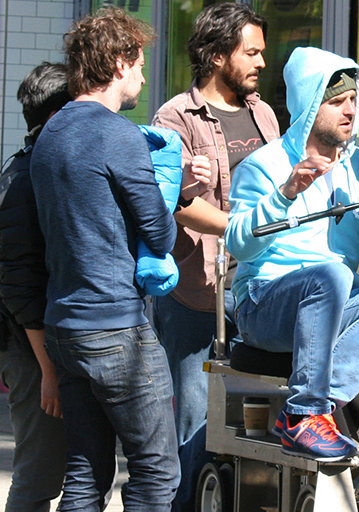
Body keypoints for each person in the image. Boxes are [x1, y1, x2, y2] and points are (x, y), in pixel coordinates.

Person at [225, 47, 359, 462]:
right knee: (331, 274)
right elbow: (239, 243)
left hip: (332, 300)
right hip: (264, 305)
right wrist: (285, 194)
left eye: (353, 99)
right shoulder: (264, 165)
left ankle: (324, 408)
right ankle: (303, 414)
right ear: (310, 104)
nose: (350, 110)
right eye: (336, 102)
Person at [29, 8, 179, 511]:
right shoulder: (118, 133)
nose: (141, 75)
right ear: (118, 63)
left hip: (65, 326)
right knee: (157, 471)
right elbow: (158, 232)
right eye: (138, 63)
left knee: (85, 473)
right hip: (116, 327)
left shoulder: (49, 136)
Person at [149, 3, 279, 509]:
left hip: (258, 288)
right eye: (251, 52)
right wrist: (237, 225)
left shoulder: (263, 113)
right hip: (197, 291)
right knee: (196, 422)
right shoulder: (175, 117)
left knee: (257, 418)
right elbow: (172, 203)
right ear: (217, 53)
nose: (261, 63)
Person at [0, 62, 70, 512]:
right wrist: (49, 372)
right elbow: (19, 289)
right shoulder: (23, 179)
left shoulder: (46, 167)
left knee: (78, 471)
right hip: (32, 350)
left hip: (53, 346)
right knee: (38, 475)